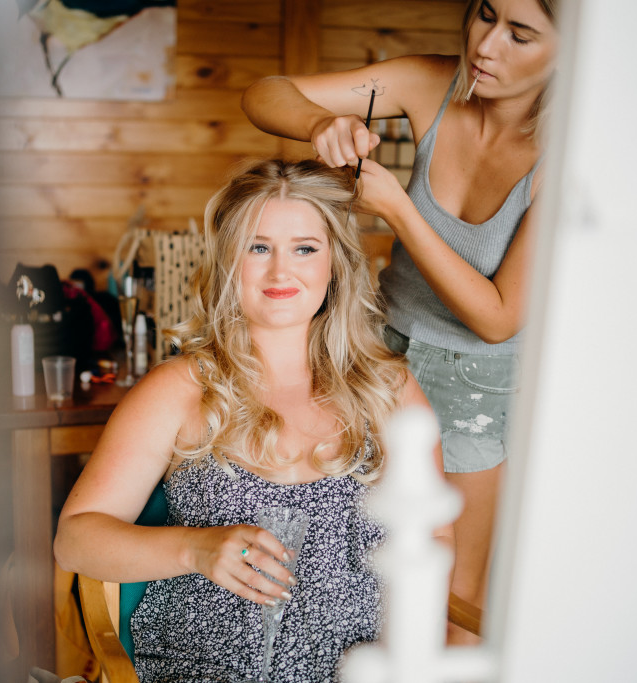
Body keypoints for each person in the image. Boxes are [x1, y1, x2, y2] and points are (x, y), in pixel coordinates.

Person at [54, 159, 451, 681]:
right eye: (258, 248)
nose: (280, 272)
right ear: (228, 262)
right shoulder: (180, 389)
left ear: (335, 264)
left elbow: (436, 539)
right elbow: (75, 540)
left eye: (305, 249)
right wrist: (195, 548)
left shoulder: (389, 390)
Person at [240, 0, 559, 643]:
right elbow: (264, 93)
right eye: (485, 14)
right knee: (345, 553)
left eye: (520, 34)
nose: (486, 45)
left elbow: (499, 319)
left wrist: (398, 210)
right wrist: (321, 122)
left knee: (449, 591)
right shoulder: (431, 82)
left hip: (476, 388)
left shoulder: (565, 154)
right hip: (372, 351)